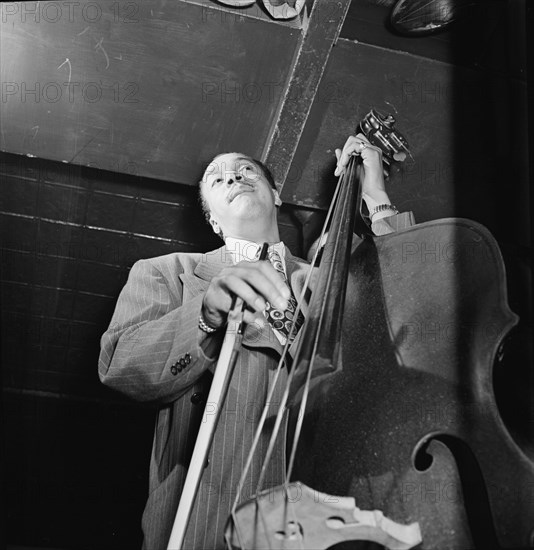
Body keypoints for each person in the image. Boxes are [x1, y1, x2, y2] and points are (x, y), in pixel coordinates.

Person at [98, 134, 415, 550]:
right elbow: (123, 368)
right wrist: (204, 317)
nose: (233, 176)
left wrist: (375, 196)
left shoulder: (330, 275)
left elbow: (412, 307)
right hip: (211, 510)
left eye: (246, 169)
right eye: (218, 178)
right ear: (212, 219)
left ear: (276, 195)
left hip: (328, 502)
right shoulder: (167, 272)